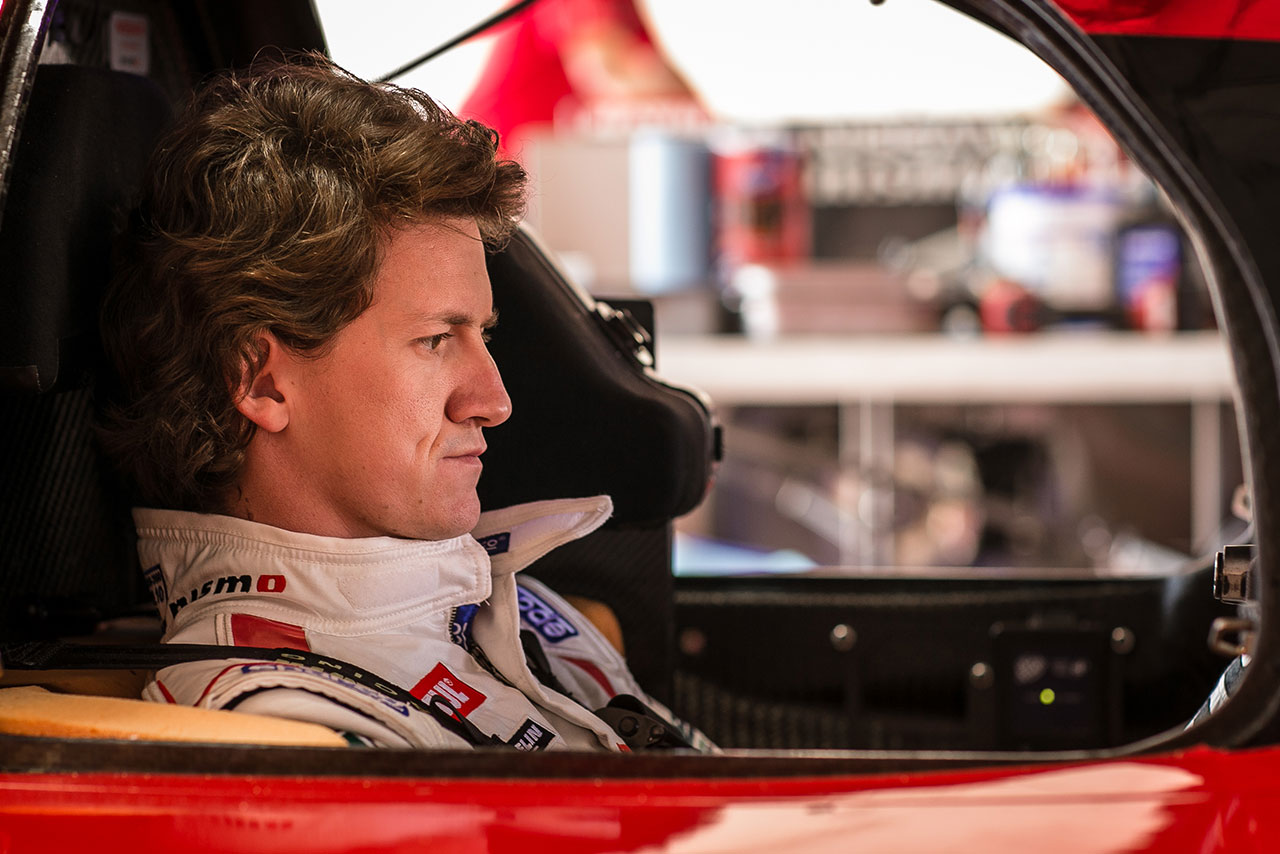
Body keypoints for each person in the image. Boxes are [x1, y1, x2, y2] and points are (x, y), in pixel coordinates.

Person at [99, 54, 709, 752]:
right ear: (262, 383)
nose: (494, 401)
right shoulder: (280, 724)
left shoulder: (515, 611)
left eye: (482, 336)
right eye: (434, 340)